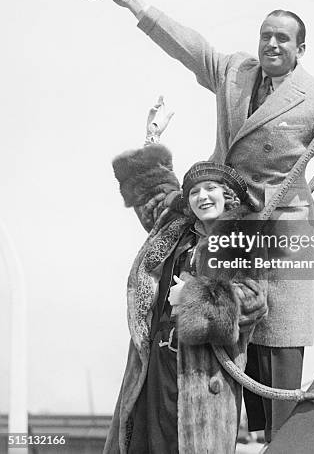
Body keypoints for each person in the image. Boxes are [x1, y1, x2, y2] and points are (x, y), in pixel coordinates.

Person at [109, 0, 314, 442]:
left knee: (276, 350)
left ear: (300, 49)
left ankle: (283, 442)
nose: (272, 44)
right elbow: (191, 46)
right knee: (220, 343)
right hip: (224, 218)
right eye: (265, 35)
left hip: (279, 231)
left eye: (283, 39)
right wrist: (135, 3)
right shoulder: (235, 71)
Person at [104, 99, 267, 454]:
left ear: (227, 196)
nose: (202, 196)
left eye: (209, 189)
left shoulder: (242, 242)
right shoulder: (177, 230)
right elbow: (155, 193)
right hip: (156, 363)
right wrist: (152, 138)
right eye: (193, 192)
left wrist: (191, 296)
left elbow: (254, 300)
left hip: (202, 373)